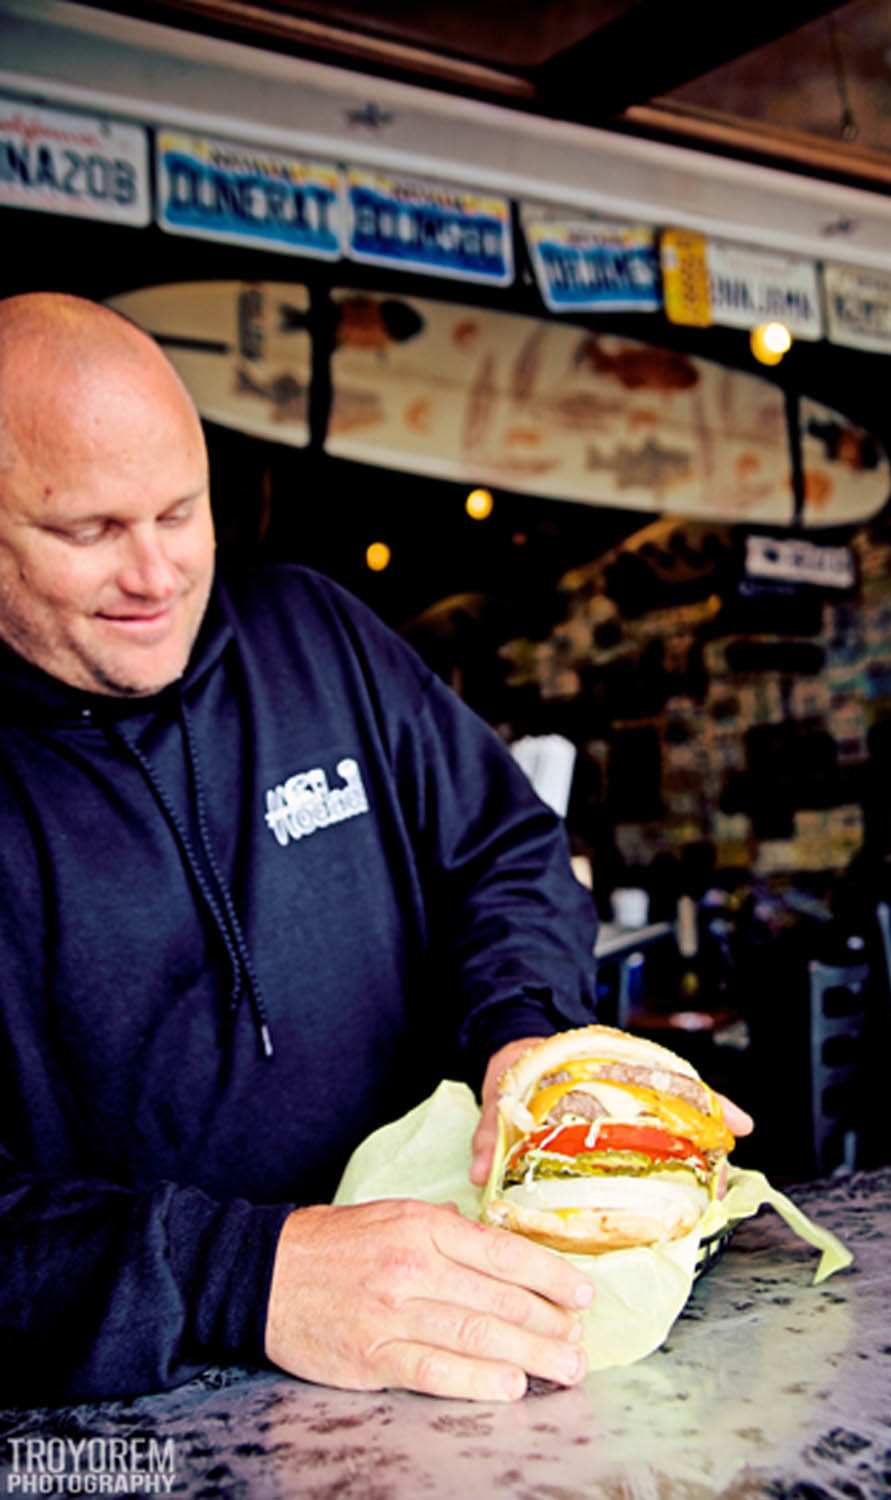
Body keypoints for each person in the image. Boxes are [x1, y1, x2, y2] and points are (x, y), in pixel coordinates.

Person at [0, 293, 752, 1407]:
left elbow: (504, 848)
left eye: (179, 513)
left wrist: (525, 1034)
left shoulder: (315, 635)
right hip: (151, 1413)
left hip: (473, 1334)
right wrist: (245, 1276)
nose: (156, 576)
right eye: (88, 531)